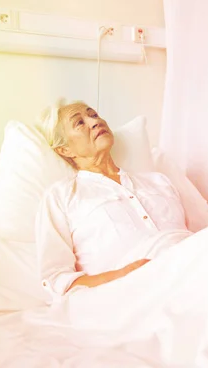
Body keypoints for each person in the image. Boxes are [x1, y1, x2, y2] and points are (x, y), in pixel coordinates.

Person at [35, 100, 192, 299]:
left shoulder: (159, 182)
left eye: (93, 114)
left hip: (195, 266)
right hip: (136, 291)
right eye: (80, 123)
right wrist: (121, 276)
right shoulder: (61, 197)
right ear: (65, 150)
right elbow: (56, 279)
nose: (94, 122)